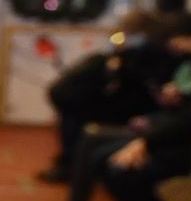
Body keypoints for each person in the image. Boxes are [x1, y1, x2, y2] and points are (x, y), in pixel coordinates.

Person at [32, 13, 191, 201]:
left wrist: (148, 139)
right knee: (98, 145)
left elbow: (190, 118)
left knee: (121, 165)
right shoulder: (184, 62)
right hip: (169, 127)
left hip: (184, 142)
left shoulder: (170, 58)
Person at [35, 10, 179, 185]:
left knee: (76, 111)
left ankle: (71, 166)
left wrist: (121, 63)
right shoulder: (134, 50)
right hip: (130, 100)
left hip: (140, 106)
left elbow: (144, 82)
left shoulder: (154, 51)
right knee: (74, 104)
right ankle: (70, 163)